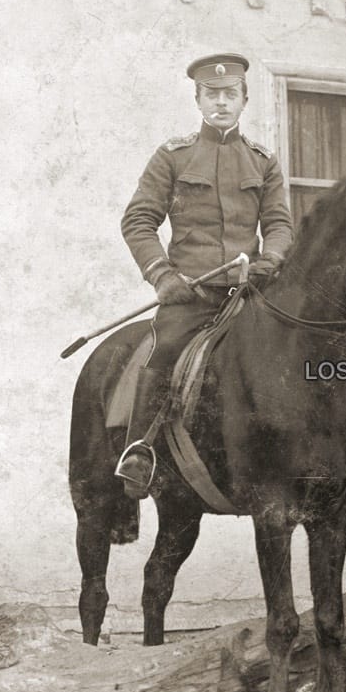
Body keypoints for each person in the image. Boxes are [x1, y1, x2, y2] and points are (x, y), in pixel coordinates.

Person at [115, 52, 294, 499]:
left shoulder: (262, 161)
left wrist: (270, 259)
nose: (221, 103)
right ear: (198, 100)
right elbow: (139, 220)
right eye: (211, 94)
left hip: (248, 293)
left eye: (229, 94)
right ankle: (139, 449)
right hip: (191, 295)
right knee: (164, 350)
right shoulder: (173, 156)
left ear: (243, 100)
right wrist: (162, 275)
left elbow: (279, 224)